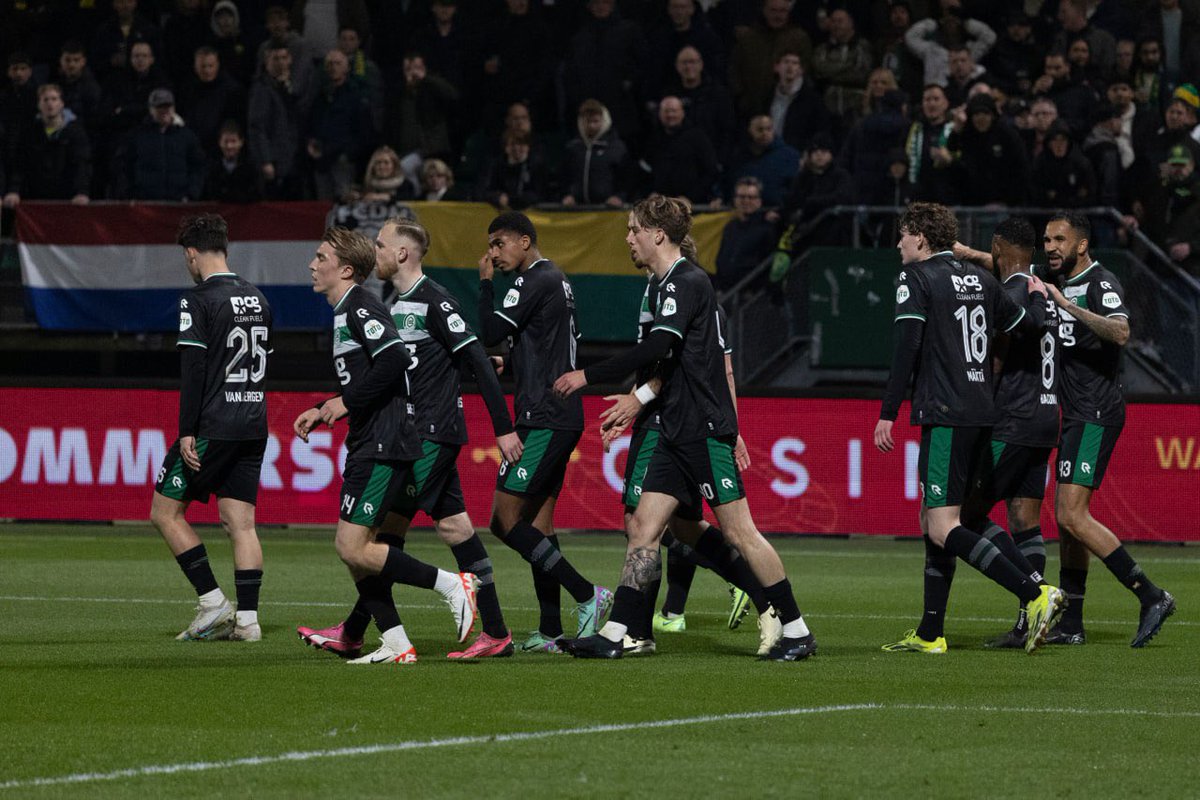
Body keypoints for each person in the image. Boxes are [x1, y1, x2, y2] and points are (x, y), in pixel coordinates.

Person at [553, 195, 817, 662]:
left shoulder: (686, 281)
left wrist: (588, 375)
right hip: (674, 430)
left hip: (703, 428)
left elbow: (659, 346)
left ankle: (797, 629)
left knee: (740, 533)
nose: (628, 238)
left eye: (634, 229)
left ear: (657, 234)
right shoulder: (663, 286)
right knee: (643, 529)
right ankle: (617, 632)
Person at [295, 219, 524, 660]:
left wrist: (503, 427)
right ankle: (493, 632)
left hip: (429, 432)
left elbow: (473, 357)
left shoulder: (434, 299)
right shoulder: (395, 304)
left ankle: (370, 629)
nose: (374, 252)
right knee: (451, 528)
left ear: (402, 253)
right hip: (412, 432)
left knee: (369, 538)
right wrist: (329, 405)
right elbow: (410, 366)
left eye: (381, 245)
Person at [874, 202, 1063, 655]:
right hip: (982, 412)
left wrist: (888, 411)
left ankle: (1034, 592)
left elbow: (906, 347)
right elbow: (1029, 324)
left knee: (942, 525)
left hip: (945, 412)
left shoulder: (916, 278)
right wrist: (1039, 294)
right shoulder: (981, 279)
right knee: (950, 518)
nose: (898, 244)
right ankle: (930, 632)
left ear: (921, 237)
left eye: (903, 235)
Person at [601, 236, 775, 655]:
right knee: (680, 526)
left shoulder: (674, 293)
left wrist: (637, 400)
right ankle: (751, 591)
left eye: (636, 231)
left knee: (642, 523)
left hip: (668, 421)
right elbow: (713, 370)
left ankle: (637, 631)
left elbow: (679, 367)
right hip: (674, 419)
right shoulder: (681, 296)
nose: (630, 240)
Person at [475, 212, 612, 653]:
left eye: (499, 244)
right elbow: (549, 340)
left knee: (503, 520)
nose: (493, 254)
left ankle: (586, 593)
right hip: (557, 413)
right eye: (491, 246)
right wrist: (511, 361)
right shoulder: (557, 279)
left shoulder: (531, 279)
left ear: (524, 241)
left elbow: (491, 331)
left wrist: (484, 284)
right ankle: (551, 628)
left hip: (545, 417)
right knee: (538, 524)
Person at [1040, 212, 1176, 648]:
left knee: (1071, 514)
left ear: (1081, 245)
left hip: (1096, 410)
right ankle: (1072, 623)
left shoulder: (1101, 282)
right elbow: (1008, 262)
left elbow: (1120, 332)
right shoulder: (1054, 277)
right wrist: (965, 253)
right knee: (1066, 522)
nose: (1050, 247)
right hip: (1075, 412)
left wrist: (1068, 308)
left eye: (1059, 239)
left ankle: (1150, 594)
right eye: (1047, 239)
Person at [149, 213, 272, 643]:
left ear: (191, 253)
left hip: (213, 424)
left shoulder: (198, 299)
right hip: (253, 422)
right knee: (241, 523)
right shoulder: (258, 297)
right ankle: (248, 622)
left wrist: (187, 429)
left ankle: (213, 602)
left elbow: (195, 368)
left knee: (164, 512)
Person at [952, 218, 1063, 648]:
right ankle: (1027, 622)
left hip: (1012, 421)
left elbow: (995, 360)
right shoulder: (1042, 290)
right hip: (1046, 416)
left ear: (998, 246)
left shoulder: (1011, 294)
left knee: (966, 517)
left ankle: (1037, 591)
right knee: (1024, 521)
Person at [2, 84, 92, 207]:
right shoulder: (30, 132)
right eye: (45, 100)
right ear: (39, 104)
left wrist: (82, 192)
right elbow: (20, 163)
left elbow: (81, 164)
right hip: (35, 196)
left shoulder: (75, 132)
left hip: (67, 197)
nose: (50, 103)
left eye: (54, 99)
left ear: (61, 103)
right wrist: (14, 190)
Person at [120, 88, 207, 201]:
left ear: (173, 108)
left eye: (168, 106)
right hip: (145, 203)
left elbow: (198, 166)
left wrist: (191, 193)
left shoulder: (187, 136)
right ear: (151, 109)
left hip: (179, 202)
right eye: (159, 107)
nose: (164, 111)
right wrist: (131, 194)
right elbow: (125, 166)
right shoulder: (137, 136)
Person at [561, 98, 629, 207]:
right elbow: (564, 177)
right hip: (576, 210)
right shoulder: (573, 148)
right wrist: (567, 195)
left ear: (604, 121)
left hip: (608, 211)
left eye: (595, 121)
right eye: (588, 121)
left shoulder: (616, 147)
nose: (591, 126)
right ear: (581, 121)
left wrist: (620, 196)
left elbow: (626, 178)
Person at [714, 177, 776, 292]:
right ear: (735, 200)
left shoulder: (767, 230)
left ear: (759, 201)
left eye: (751, 197)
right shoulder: (730, 227)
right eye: (742, 197)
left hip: (750, 294)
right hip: (726, 292)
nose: (746, 201)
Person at [202, 120, 261, 203]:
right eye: (226, 142)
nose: (229, 146)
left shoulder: (251, 166)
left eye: (233, 141)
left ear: (241, 142)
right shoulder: (212, 167)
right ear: (219, 142)